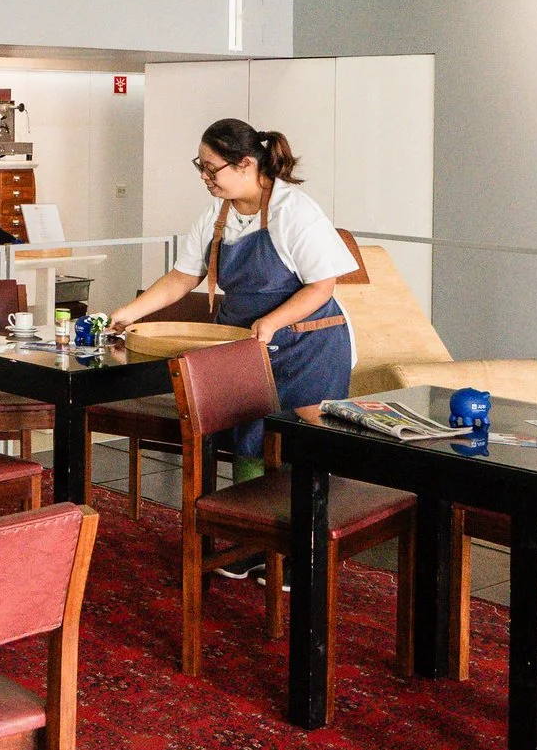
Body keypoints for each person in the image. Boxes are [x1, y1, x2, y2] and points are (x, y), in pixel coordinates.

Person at [112, 117, 357, 486]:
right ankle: (247, 514)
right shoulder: (216, 215)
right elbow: (183, 277)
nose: (204, 177)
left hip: (309, 347)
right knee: (248, 434)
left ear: (246, 164)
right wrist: (128, 313)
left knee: (301, 444)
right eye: (201, 167)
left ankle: (305, 519)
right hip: (246, 343)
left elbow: (322, 287)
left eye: (211, 168)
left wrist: (272, 321)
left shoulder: (294, 211)